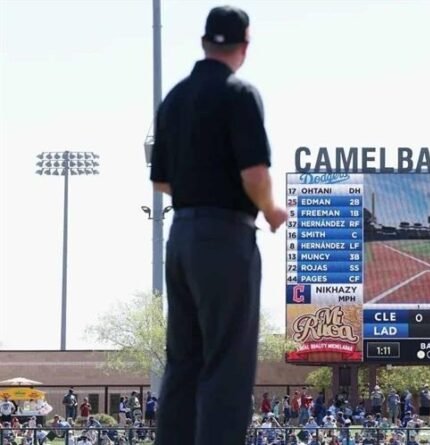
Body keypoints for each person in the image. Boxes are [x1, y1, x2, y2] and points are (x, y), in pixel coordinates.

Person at [150, 6, 287, 445]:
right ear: (244, 46)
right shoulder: (239, 93)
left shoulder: (175, 97)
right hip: (226, 235)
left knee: (183, 362)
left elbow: (161, 181)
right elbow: (254, 174)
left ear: (204, 42)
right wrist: (271, 210)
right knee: (228, 364)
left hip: (181, 235)